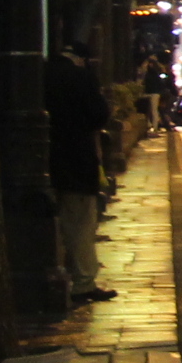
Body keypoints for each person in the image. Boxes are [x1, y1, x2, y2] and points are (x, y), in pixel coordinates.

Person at [46, 43, 115, 303]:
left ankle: (58, 274)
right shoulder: (80, 77)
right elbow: (98, 115)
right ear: (81, 59)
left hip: (41, 158)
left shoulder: (39, 73)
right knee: (80, 222)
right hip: (76, 158)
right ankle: (83, 282)